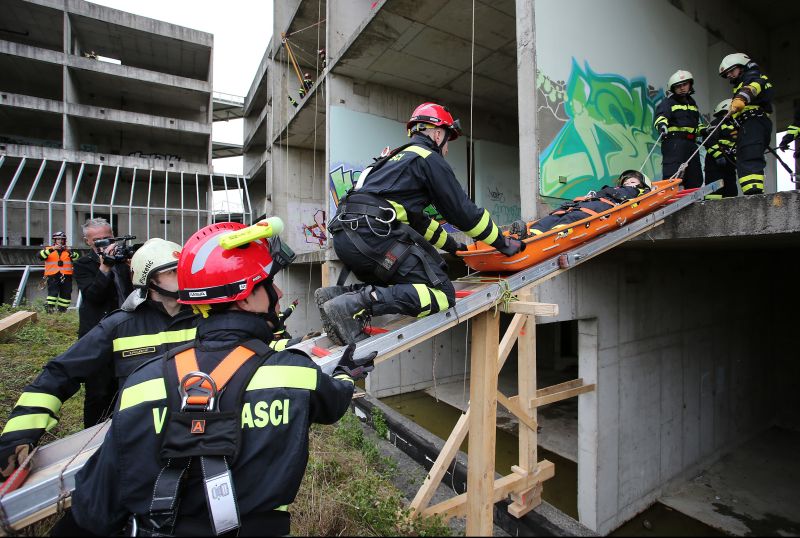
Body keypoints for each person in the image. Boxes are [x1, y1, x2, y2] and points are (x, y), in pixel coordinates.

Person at [64, 221, 374, 536]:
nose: (279, 293)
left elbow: (96, 509)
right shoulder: (294, 374)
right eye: (267, 283)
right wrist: (346, 376)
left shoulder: (143, 384)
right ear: (242, 298)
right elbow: (334, 402)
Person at [318, 102, 524, 345]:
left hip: (349, 237)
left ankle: (335, 298)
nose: (446, 150)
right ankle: (352, 305)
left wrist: (453, 247)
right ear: (438, 134)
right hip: (371, 235)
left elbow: (418, 221)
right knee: (442, 294)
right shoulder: (428, 159)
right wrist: (502, 242)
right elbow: (464, 213)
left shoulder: (393, 160)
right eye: (447, 141)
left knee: (405, 284)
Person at [0, 239, 198, 482]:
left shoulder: (208, 320)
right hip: (139, 445)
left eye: (185, 268)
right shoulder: (120, 326)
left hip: (198, 438)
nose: (184, 276)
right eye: (173, 271)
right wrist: (18, 435)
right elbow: (60, 373)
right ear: (150, 280)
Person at [72, 218, 134, 427]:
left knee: (125, 388)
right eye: (98, 241)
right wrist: (104, 267)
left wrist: (132, 264)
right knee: (98, 392)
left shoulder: (122, 260)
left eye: (108, 239)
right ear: (88, 241)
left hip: (127, 331)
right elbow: (93, 296)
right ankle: (91, 439)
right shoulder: (83, 264)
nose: (104, 244)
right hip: (98, 334)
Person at [523, 170, 651, 235]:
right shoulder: (612, 189)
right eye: (626, 183)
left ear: (643, 186)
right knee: (558, 214)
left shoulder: (638, 193)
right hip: (590, 202)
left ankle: (555, 234)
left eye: (632, 182)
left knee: (574, 216)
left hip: (603, 206)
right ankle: (532, 233)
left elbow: (636, 204)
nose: (628, 184)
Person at [719, 52, 774, 195]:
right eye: (727, 74)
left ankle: (753, 195)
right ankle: (750, 193)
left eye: (731, 71)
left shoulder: (755, 78)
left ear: (742, 66)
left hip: (754, 122)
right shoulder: (742, 84)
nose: (729, 75)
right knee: (743, 156)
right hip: (748, 124)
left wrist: (742, 98)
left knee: (749, 155)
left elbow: (753, 88)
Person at [653, 70, 705, 188]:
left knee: (695, 176)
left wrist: (703, 130)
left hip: (691, 144)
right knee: (672, 175)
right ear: (673, 88)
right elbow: (661, 117)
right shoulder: (668, 102)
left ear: (690, 85)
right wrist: (662, 126)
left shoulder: (692, 104)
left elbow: (695, 125)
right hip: (674, 143)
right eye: (678, 86)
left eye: (685, 84)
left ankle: (694, 202)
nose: (682, 88)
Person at [703, 99, 739, 198]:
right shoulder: (717, 122)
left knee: (731, 192)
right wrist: (718, 156)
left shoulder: (735, 125)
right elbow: (708, 141)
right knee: (714, 193)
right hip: (715, 163)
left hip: (729, 163)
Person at [39, 231, 79, 313]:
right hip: (52, 275)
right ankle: (49, 309)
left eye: (62, 239)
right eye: (58, 239)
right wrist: (52, 249)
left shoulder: (68, 250)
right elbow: (40, 256)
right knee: (53, 293)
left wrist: (70, 251)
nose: (60, 241)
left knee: (66, 294)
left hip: (66, 276)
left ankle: (62, 311)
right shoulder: (48, 249)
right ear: (55, 240)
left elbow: (76, 257)